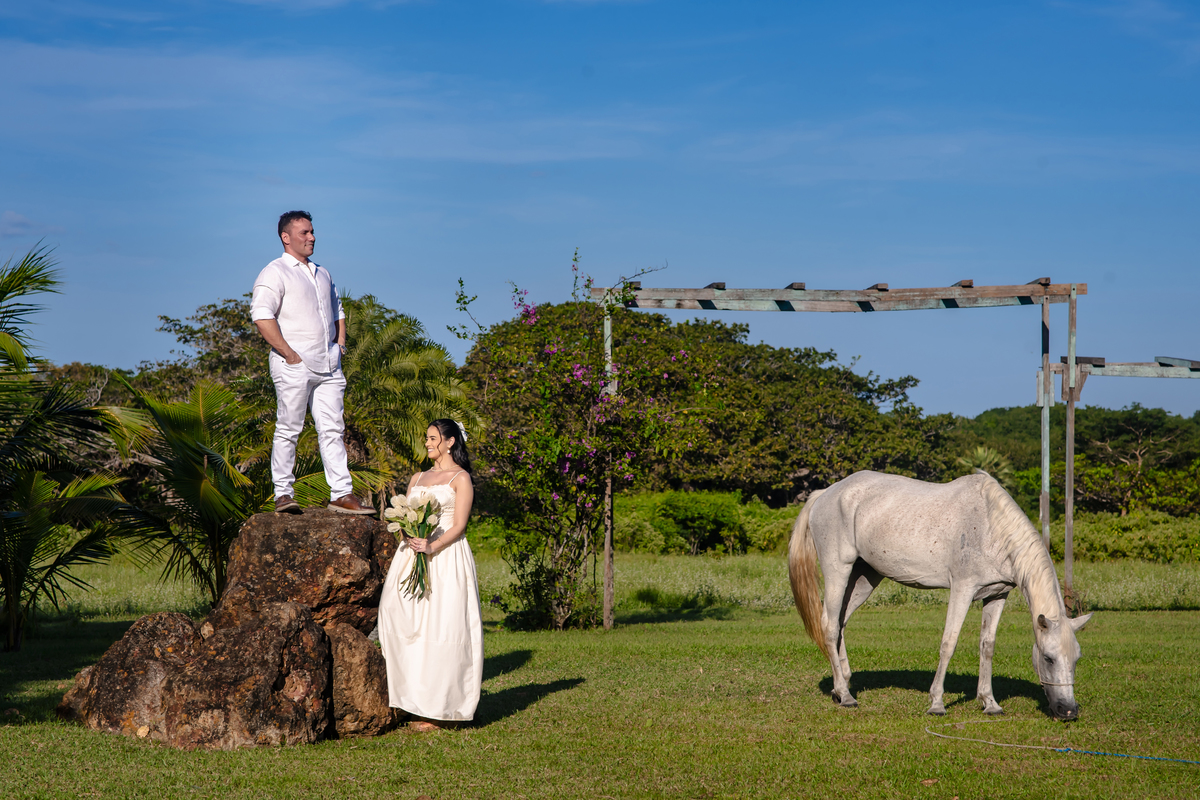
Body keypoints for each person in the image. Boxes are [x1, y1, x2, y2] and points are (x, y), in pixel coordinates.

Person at [250, 210, 375, 515]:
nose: (312, 237)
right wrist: (290, 354)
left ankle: (341, 494)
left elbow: (338, 310)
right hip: (294, 365)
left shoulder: (323, 272)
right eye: (304, 233)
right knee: (289, 428)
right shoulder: (274, 272)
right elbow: (261, 315)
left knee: (333, 429)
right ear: (286, 237)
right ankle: (283, 494)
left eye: (312, 231)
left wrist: (340, 345)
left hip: (330, 366)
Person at [377, 419, 483, 731]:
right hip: (411, 556)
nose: (427, 443)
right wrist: (408, 537)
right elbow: (407, 512)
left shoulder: (460, 478)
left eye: (433, 438)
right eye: (427, 437)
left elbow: (459, 525)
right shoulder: (418, 477)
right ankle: (407, 699)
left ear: (450, 442)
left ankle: (440, 709)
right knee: (399, 619)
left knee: (442, 627)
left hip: (446, 558)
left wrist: (432, 546)